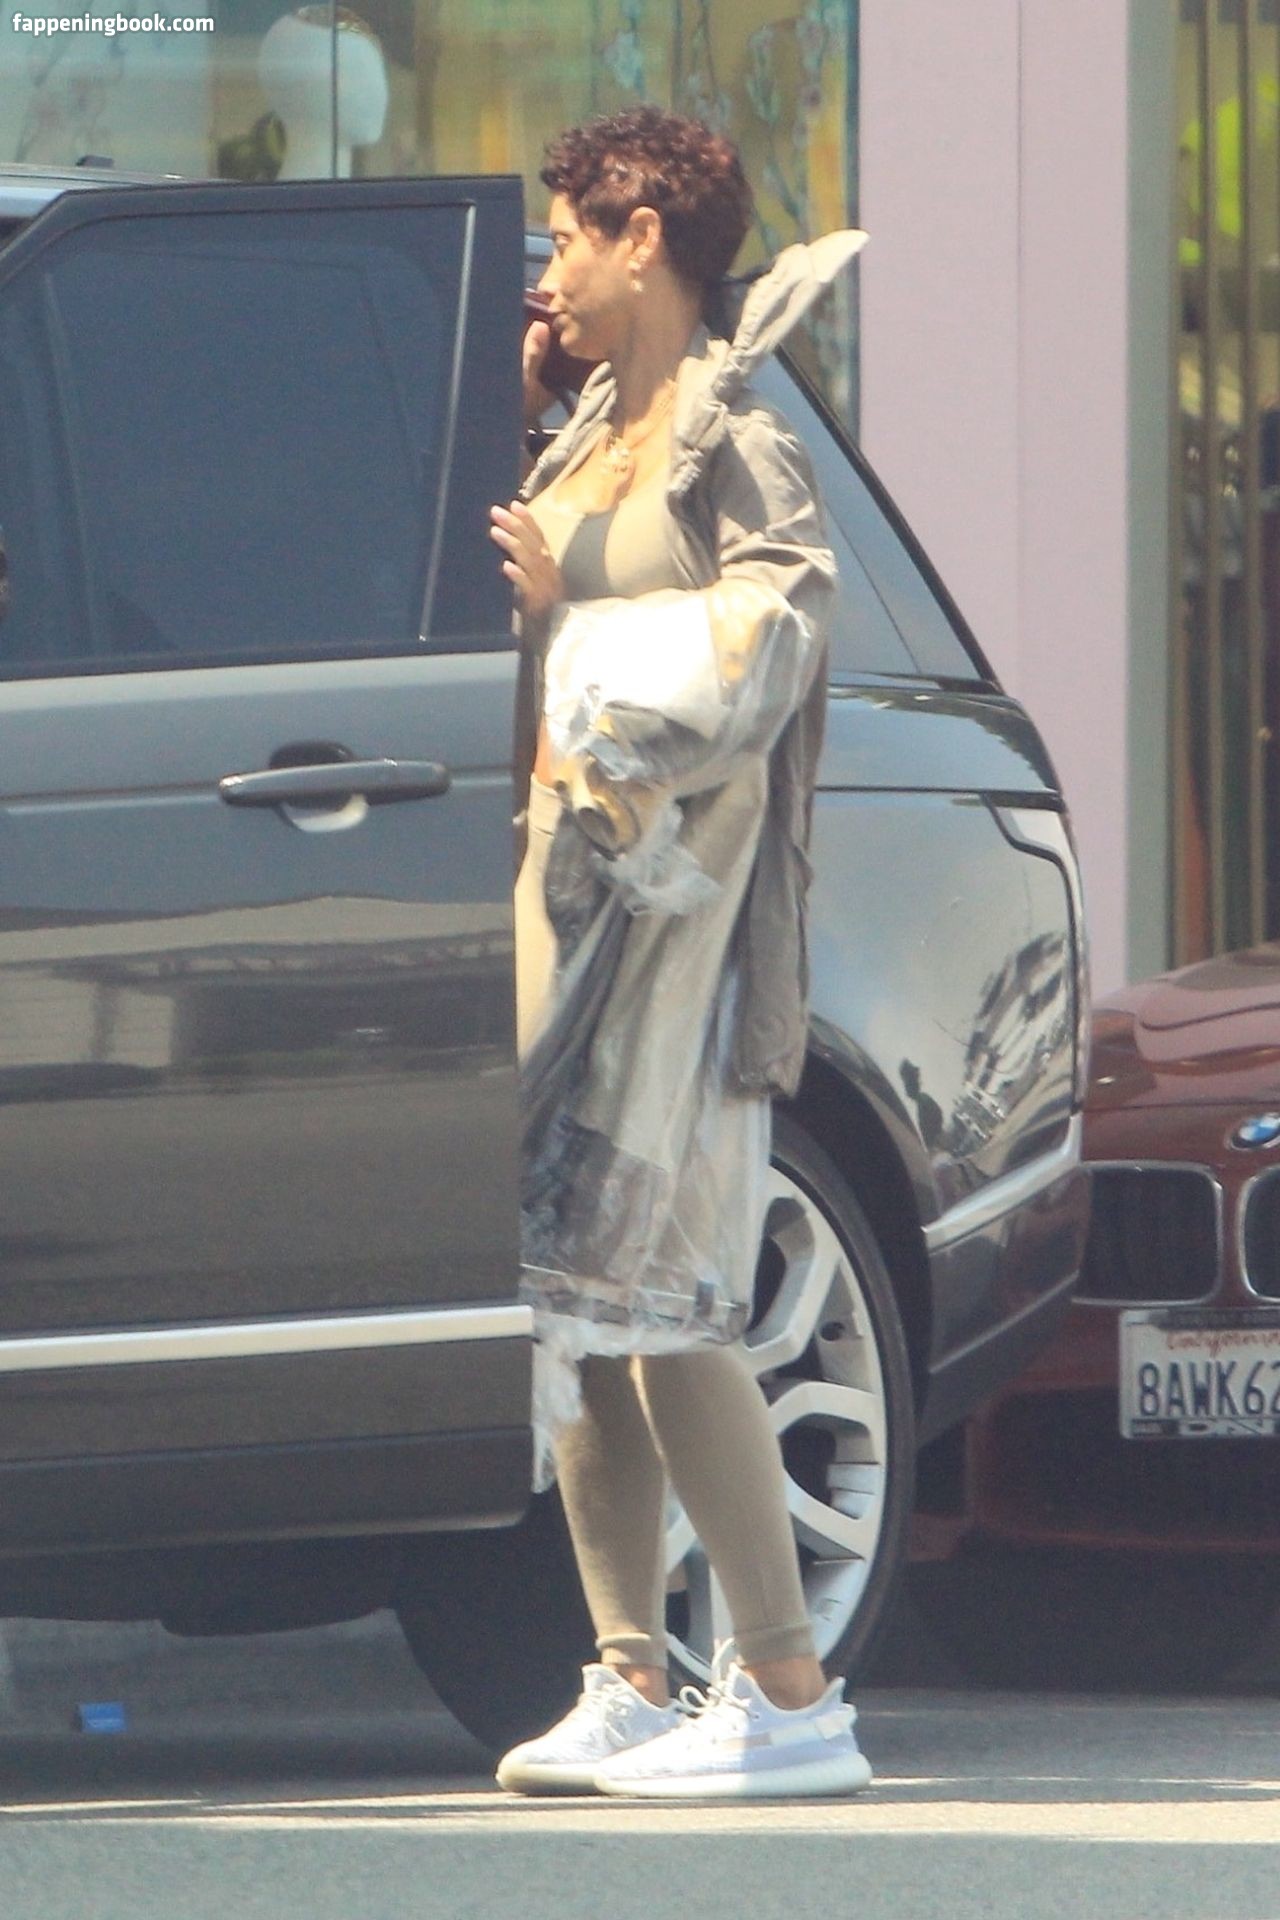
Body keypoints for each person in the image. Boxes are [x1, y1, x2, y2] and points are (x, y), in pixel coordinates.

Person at [488, 105, 870, 1801]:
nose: (554, 266)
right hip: (566, 906)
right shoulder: (583, 429)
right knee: (576, 1299)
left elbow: (779, 635)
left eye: (574, 233)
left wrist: (570, 622)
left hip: (685, 933)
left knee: (668, 1301)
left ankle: (788, 1693)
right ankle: (631, 1675)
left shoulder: (738, 441)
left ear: (645, 241)